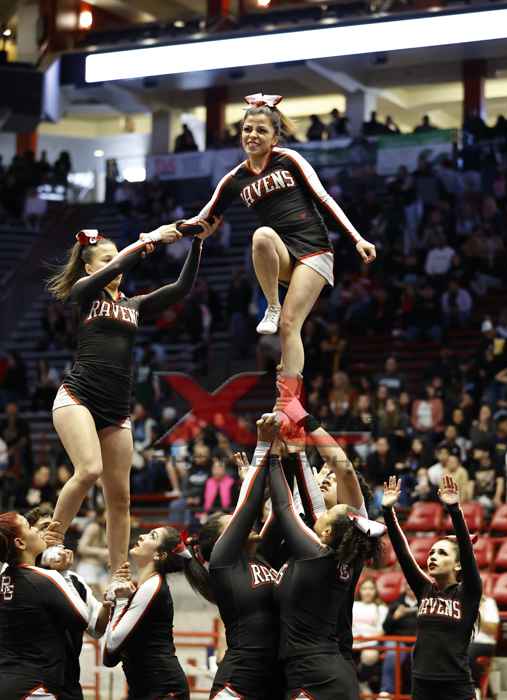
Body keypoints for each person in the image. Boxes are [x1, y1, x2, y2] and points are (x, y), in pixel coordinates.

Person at [176, 93, 375, 390]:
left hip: (314, 250)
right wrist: (161, 234)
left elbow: (323, 198)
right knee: (261, 236)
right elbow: (202, 218)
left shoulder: (289, 159)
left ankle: (289, 402)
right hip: (281, 253)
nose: (252, 135)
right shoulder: (234, 179)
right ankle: (272, 304)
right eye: (247, 129)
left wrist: (357, 238)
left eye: (261, 130)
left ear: (274, 138)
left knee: (289, 325)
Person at [45, 225, 203, 574]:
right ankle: (52, 540)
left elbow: (181, 288)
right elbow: (119, 266)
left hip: (117, 409)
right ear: (89, 267)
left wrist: (198, 242)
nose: (114, 264)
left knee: (120, 499)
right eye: (105, 259)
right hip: (79, 396)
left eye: (114, 258)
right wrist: (149, 241)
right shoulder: (85, 292)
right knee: (89, 470)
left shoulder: (134, 304)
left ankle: (119, 575)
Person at [267, 416, 384, 700]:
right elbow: (297, 502)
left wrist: (300, 427)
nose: (324, 480)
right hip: (290, 655)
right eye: (322, 477)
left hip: (328, 651)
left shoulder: (352, 531)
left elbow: (342, 471)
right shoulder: (312, 528)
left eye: (330, 480)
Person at [183, 416, 283, 699]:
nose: (244, 525)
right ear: (222, 541)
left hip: (271, 682)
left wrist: (282, 454)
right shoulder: (224, 562)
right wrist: (262, 445)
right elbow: (248, 508)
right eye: (234, 524)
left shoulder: (260, 556)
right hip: (238, 682)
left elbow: (279, 508)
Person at [382, 474, 482, 700]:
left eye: (442, 553)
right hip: (422, 685)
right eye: (431, 553)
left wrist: (454, 510)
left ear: (457, 564)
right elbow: (403, 552)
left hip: (456, 687)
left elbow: (467, 552)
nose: (433, 557)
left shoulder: (468, 592)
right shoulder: (425, 589)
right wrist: (388, 512)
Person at [0, 511, 89, 699]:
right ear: (20, 543)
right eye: (28, 526)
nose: (36, 531)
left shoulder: (3, 579)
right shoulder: (44, 578)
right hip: (35, 688)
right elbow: (82, 619)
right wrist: (64, 575)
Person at [26, 505, 111, 700]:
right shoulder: (16, 576)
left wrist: (108, 603)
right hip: (28, 686)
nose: (54, 533)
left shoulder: (75, 581)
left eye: (58, 528)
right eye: (45, 527)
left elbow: (97, 629)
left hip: (67, 685)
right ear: (27, 537)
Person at [103, 526, 191, 700]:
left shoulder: (152, 587)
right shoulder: (143, 588)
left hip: (164, 690)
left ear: (160, 555)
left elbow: (111, 645)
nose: (142, 536)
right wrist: (117, 602)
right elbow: (109, 658)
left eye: (152, 536)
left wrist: (121, 602)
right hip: (144, 690)